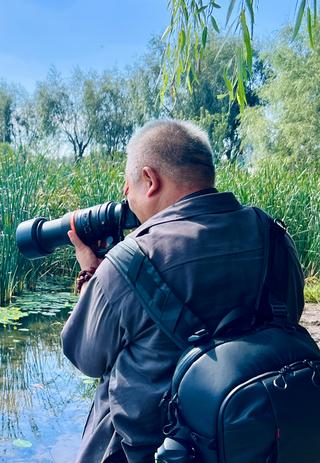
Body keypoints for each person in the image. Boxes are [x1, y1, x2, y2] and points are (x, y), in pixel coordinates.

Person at [61, 119, 304, 463]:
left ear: (149, 179)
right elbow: (288, 316)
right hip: (258, 441)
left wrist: (92, 275)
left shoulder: (128, 262)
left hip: (157, 453)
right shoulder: (273, 236)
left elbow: (85, 358)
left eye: (126, 187)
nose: (125, 199)